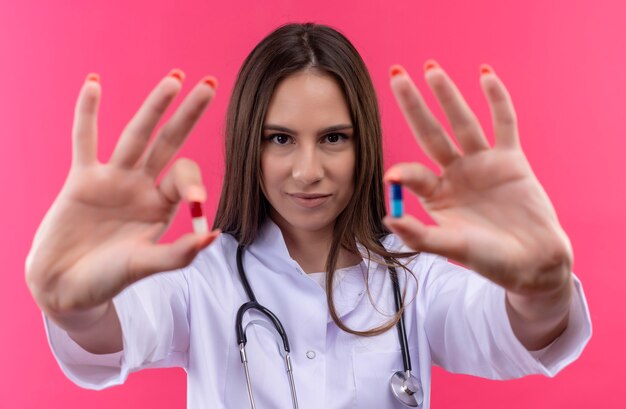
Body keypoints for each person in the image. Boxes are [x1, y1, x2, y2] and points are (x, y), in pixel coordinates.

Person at [25, 23, 591, 408]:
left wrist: (541, 290)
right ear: (250, 144)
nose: (306, 171)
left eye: (333, 138)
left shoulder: (414, 280)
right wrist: (76, 306)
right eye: (280, 139)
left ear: (363, 142)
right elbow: (116, 331)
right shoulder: (203, 279)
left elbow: (509, 330)